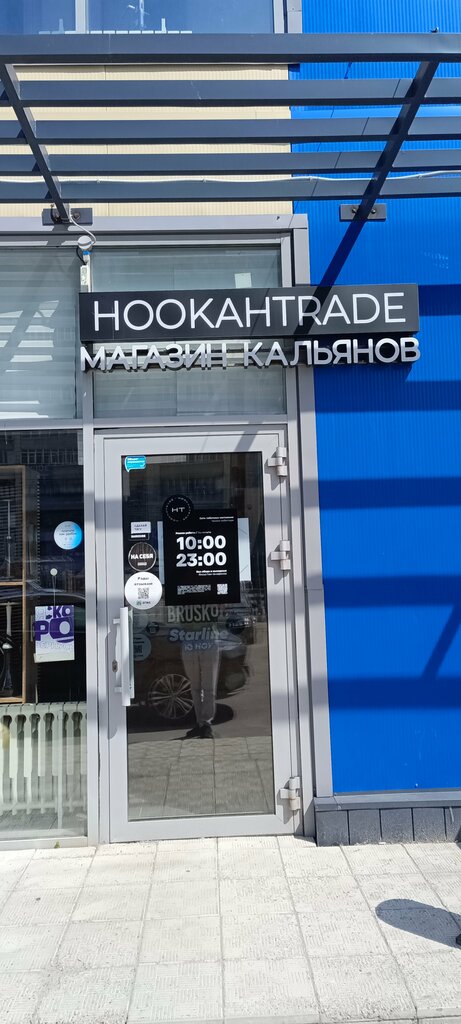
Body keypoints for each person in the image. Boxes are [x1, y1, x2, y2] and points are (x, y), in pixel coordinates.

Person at [181, 629, 221, 739]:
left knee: (209, 686)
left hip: (208, 638)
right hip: (189, 639)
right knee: (195, 687)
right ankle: (200, 723)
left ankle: (206, 724)